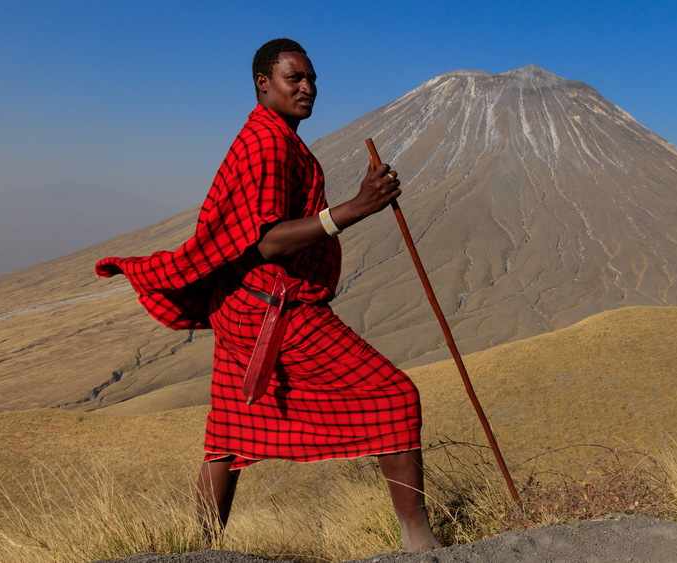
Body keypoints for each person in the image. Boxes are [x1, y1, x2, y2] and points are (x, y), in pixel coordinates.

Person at [95, 38, 442, 553]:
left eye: (313, 79)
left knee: (227, 435)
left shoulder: (275, 137)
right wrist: (354, 208)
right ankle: (418, 542)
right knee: (395, 397)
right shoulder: (267, 142)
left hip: (241, 305)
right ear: (263, 83)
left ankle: (200, 549)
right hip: (269, 309)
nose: (308, 87)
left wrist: (359, 199)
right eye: (294, 78)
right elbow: (265, 239)